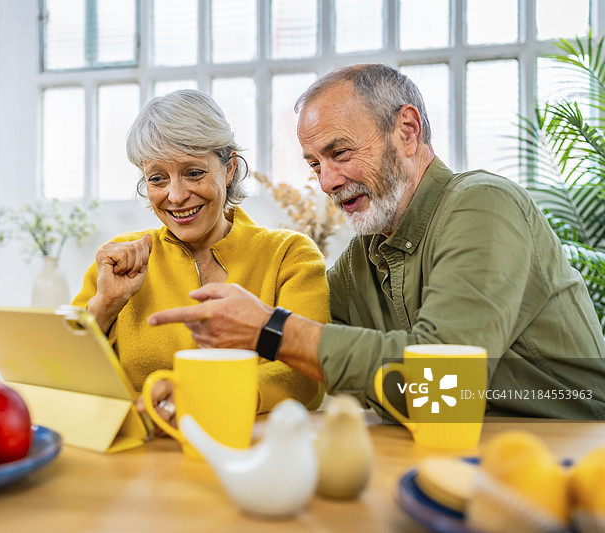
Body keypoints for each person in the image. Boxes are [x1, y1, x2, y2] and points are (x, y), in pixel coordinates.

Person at [148, 64, 605, 419]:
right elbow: (295, 336)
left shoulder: (483, 205)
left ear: (406, 131)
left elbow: (443, 389)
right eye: (314, 164)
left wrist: (269, 328)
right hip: (461, 462)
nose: (327, 181)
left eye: (340, 153)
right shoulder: (365, 258)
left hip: (570, 454)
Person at [73, 89, 329, 424]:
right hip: (143, 458)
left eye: (194, 172)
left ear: (229, 169)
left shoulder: (288, 256)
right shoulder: (116, 263)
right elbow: (64, 374)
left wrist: (209, 398)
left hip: (249, 453)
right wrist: (103, 308)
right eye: (157, 178)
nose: (176, 196)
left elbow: (306, 376)